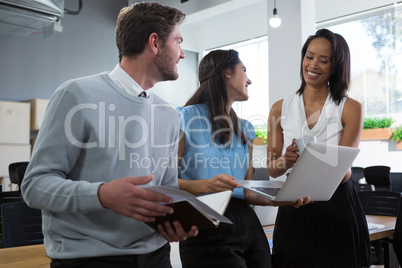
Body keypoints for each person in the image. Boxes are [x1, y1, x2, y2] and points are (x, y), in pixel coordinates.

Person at [21, 3, 198, 268]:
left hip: (157, 258)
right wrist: (102, 195)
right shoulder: (76, 95)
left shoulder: (169, 114)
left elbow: (168, 190)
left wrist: (174, 223)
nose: (182, 54)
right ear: (154, 43)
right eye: (178, 42)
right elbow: (34, 186)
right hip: (90, 259)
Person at [176, 49, 310, 268]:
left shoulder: (245, 129)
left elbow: (247, 192)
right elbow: (165, 182)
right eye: (244, 70)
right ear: (227, 73)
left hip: (248, 226)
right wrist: (207, 184)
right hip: (206, 225)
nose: (249, 79)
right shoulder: (183, 118)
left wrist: (283, 198)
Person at [266, 29, 370, 267]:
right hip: (295, 205)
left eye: (324, 60)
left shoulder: (350, 107)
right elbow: (272, 169)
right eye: (309, 56)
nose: (313, 65)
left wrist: (313, 156)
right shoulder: (279, 109)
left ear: (336, 66)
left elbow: (344, 174)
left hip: (338, 207)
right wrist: (287, 160)